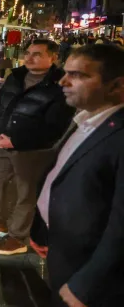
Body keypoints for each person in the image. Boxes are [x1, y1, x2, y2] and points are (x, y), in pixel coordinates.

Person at [30, 44, 124, 307]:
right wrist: (42, 229)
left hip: (91, 275)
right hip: (63, 251)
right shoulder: (85, 120)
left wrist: (88, 285)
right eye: (65, 72)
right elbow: (59, 177)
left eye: (78, 75)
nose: (63, 81)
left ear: (116, 85)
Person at [0, 40, 76, 255]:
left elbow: (54, 126)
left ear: (53, 57)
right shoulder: (15, 76)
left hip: (31, 150)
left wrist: (17, 141)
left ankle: (18, 237)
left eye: (36, 54)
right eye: (27, 53)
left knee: (25, 193)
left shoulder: (60, 83)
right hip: (1, 144)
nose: (29, 57)